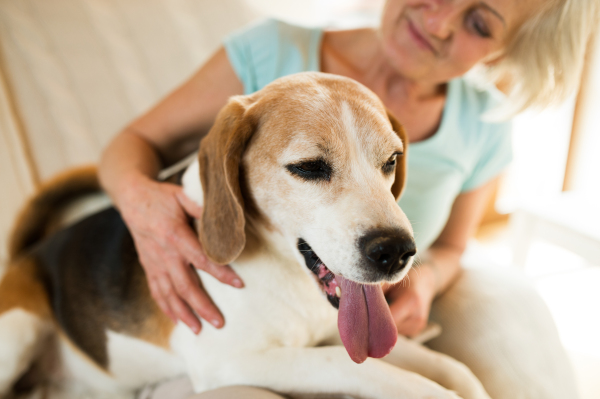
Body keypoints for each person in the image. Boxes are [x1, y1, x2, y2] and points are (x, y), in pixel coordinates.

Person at [99, 0, 598, 398]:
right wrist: (143, 205)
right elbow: (132, 143)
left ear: (504, 50)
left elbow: (451, 248)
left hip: (353, 300)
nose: (440, 21)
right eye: (312, 167)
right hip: (242, 316)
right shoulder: (273, 51)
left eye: (479, 22)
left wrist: (426, 283)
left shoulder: (484, 124)